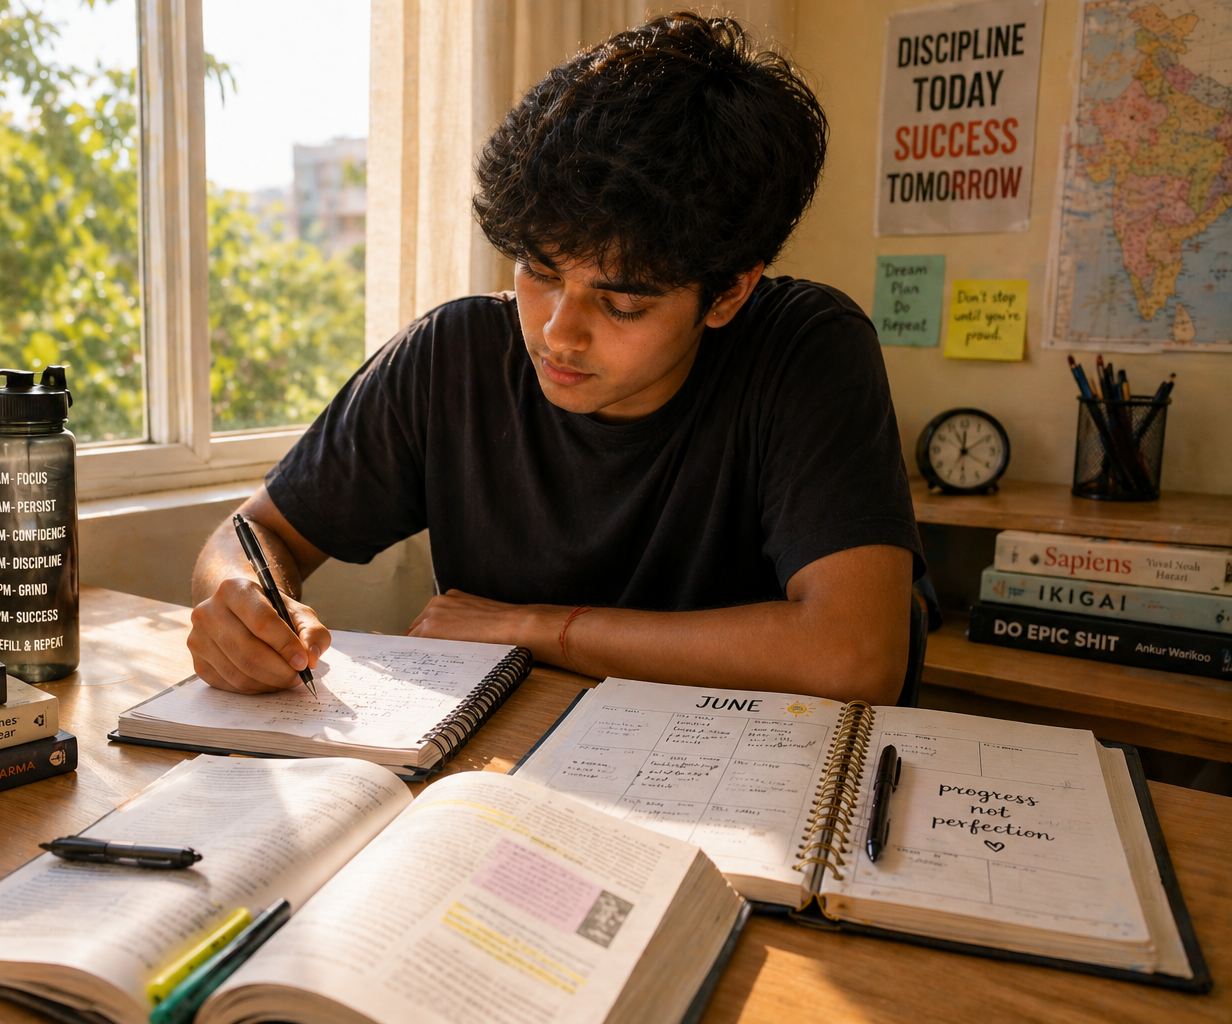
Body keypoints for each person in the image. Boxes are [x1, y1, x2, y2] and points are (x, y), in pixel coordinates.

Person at [188, 13, 924, 703]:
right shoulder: (454, 357)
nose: (557, 333)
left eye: (622, 304)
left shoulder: (806, 349)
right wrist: (245, 598)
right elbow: (256, 532)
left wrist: (530, 627)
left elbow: (856, 655)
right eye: (538, 270)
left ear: (728, 292)